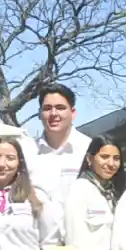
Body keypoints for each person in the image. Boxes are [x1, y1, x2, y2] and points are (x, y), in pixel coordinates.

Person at [21, 83, 92, 228]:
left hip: (81, 241)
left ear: (73, 113)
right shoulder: (26, 152)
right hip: (38, 242)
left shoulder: (90, 150)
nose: (53, 114)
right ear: (40, 114)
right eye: (47, 108)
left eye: (60, 108)